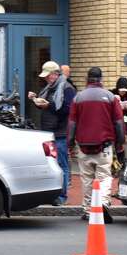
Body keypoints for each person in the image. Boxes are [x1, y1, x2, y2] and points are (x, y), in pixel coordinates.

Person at [68, 67, 124, 222]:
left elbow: (72, 123)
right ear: (101, 79)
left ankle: (87, 210)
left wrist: (70, 143)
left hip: (83, 146)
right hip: (104, 146)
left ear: (88, 79)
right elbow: (119, 123)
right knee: (105, 177)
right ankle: (104, 203)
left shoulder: (78, 98)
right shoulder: (110, 97)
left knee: (86, 179)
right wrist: (119, 145)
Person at [29, 61, 76, 205]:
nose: (45, 79)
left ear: (56, 74)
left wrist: (48, 105)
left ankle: (62, 196)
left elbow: (68, 110)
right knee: (51, 164)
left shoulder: (67, 88)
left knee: (61, 164)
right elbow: (47, 107)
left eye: (48, 76)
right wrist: (35, 100)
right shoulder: (49, 88)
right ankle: (53, 194)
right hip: (49, 131)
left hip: (60, 132)